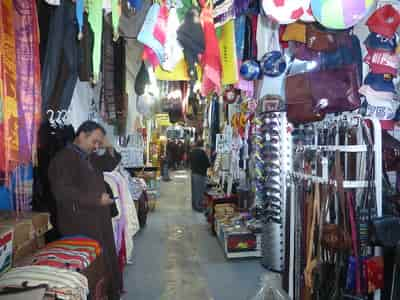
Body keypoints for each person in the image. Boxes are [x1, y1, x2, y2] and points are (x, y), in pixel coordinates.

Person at [48, 121, 122, 300]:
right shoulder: (63, 159)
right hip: (79, 223)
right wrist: (97, 199)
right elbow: (62, 192)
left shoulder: (89, 156)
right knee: (89, 268)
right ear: (82, 136)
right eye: (94, 141)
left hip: (98, 217)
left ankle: (107, 294)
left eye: (99, 143)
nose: (97, 146)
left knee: (103, 261)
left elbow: (109, 164)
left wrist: (110, 147)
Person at [189, 139, 210, 212]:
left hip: (193, 173)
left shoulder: (192, 152)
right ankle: (198, 207)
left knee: (194, 191)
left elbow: (190, 161)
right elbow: (208, 164)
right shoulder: (202, 152)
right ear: (202, 145)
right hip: (200, 174)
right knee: (199, 191)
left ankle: (194, 205)